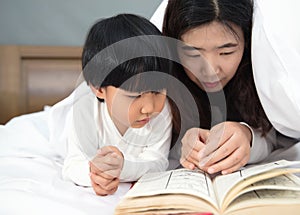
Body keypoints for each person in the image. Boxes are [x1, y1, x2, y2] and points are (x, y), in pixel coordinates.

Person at [61, 13, 174, 196]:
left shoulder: (162, 111)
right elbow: (72, 165)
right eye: (135, 96)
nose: (149, 108)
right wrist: (96, 173)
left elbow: (158, 163)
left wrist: (122, 168)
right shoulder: (83, 109)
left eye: (157, 91)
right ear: (99, 89)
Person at [160, 0, 276, 175]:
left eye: (226, 52)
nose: (211, 70)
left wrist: (247, 136)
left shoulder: (263, 71)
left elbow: (282, 134)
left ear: (247, 42)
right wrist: (182, 145)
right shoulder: (160, 80)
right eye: (192, 53)